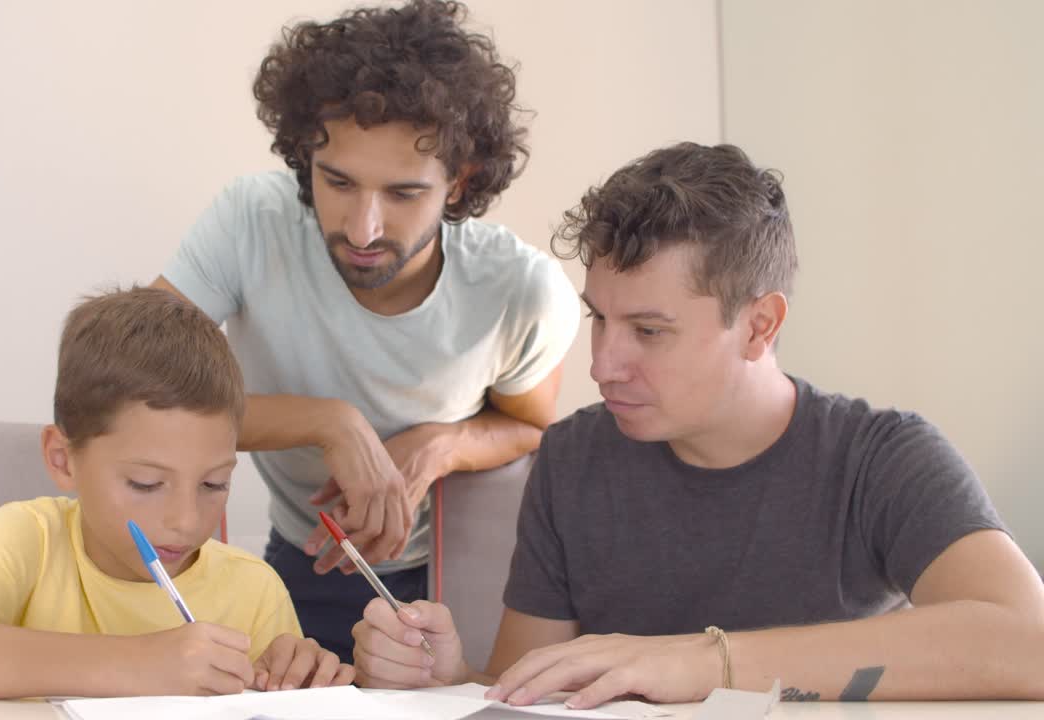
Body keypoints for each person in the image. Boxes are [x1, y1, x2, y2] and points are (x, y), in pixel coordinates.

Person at [351, 142, 1044, 703]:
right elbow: (529, 693)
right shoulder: (575, 459)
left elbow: (1028, 640)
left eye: (649, 331)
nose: (603, 366)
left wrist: (705, 662)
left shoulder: (883, 459)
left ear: (760, 326)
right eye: (599, 318)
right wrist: (444, 681)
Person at [152, 0, 579, 662]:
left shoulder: (522, 291)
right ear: (305, 156)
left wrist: (439, 446)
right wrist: (328, 422)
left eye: (404, 194)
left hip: (458, 581)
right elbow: (137, 396)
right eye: (338, 182)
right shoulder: (249, 222)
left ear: (459, 182)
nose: (362, 229)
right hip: (302, 560)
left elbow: (528, 425)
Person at [0, 287, 354, 698]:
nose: (186, 520)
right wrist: (140, 663)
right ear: (63, 459)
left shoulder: (254, 591)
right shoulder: (29, 539)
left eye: (213, 484)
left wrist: (301, 679)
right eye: (145, 483)